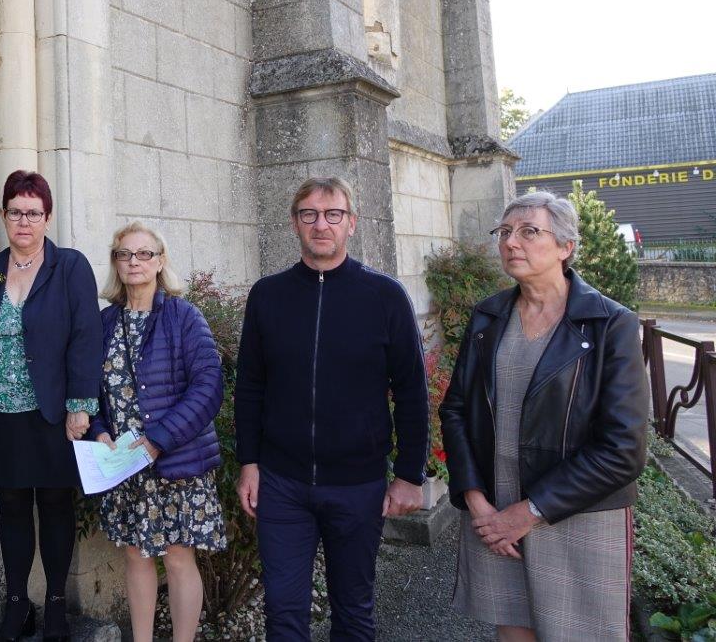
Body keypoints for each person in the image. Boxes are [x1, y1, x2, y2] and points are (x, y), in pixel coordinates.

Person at [440, 191, 649, 642]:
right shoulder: (487, 317)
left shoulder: (610, 324)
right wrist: (476, 500)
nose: (511, 243)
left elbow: (623, 449)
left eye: (529, 231)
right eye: (505, 232)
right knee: (513, 630)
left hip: (576, 513)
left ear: (566, 246)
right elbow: (456, 408)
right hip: (494, 511)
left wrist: (529, 512)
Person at [235, 176, 427, 641]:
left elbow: (411, 389)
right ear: (295, 224)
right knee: (283, 614)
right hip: (281, 482)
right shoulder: (268, 295)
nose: (321, 225)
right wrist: (249, 463)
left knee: (354, 612)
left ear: (351, 223)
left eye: (332, 214)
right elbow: (251, 385)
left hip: (357, 484)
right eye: (310, 215)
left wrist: (408, 474)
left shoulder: (385, 296)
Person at [0, 170, 102, 642]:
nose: (23, 221)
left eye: (33, 212)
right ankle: (17, 603)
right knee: (12, 506)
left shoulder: (69, 266)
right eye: (15, 212)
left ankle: (58, 605)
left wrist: (81, 405)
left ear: (47, 217)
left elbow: (87, 335)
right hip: (1, 410)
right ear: (3, 215)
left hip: (53, 413)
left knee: (54, 503)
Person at [90, 221, 226, 642]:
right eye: (125, 254)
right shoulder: (105, 321)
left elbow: (208, 387)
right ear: (116, 263)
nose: (134, 262)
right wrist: (98, 432)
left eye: (144, 253)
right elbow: (89, 390)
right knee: (135, 554)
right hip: (126, 464)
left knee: (179, 557)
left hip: (175, 460)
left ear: (160, 260)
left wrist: (158, 440)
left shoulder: (183, 317)